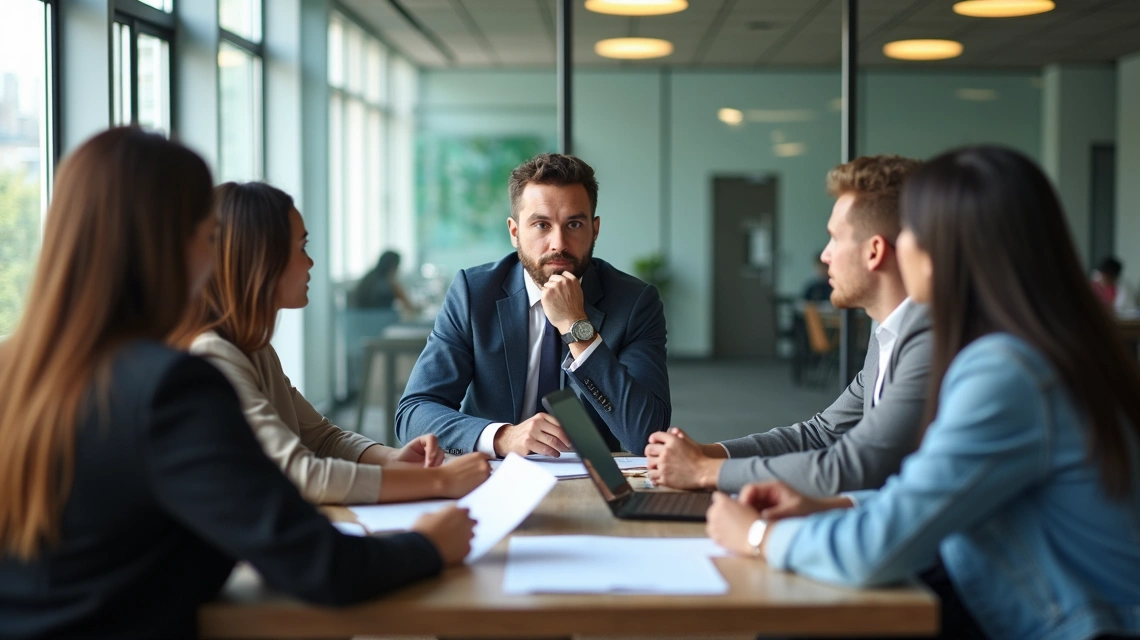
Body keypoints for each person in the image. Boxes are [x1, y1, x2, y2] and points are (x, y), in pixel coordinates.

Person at [706, 147, 1140, 640]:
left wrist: (757, 535)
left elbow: (879, 547)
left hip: (1091, 625)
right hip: (1089, 609)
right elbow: (928, 496)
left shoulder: (1007, 371)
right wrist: (830, 507)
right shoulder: (1049, 346)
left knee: (798, 616)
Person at [0, 128, 474, 639]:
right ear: (168, 246)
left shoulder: (17, 369)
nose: (214, 261)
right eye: (207, 238)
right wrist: (428, 543)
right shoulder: (170, 388)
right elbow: (315, 562)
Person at [173, 182, 490, 505]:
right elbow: (303, 474)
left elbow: (322, 438)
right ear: (261, 258)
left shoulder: (254, 348)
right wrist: (437, 481)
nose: (310, 263)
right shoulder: (213, 355)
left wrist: (388, 458)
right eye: (301, 248)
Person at [645, 155, 931, 497]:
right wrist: (708, 454)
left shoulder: (930, 340)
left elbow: (852, 467)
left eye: (835, 239)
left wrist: (706, 472)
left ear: (874, 252)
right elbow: (822, 433)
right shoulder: (885, 334)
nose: (825, 256)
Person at [397, 153, 671, 457]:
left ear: (594, 229)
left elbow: (647, 435)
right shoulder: (474, 294)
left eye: (574, 224)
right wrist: (501, 437)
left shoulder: (634, 303)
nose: (558, 243)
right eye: (541, 225)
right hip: (491, 477)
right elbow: (414, 413)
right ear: (515, 231)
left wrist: (576, 325)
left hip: (593, 481)